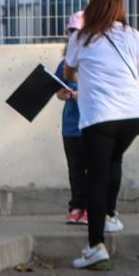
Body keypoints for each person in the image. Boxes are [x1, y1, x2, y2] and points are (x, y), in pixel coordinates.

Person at [64, 0, 139, 270]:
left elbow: (69, 73)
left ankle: (95, 246)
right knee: (113, 160)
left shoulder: (82, 37)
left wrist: (82, 76)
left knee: (95, 178)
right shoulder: (132, 34)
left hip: (100, 117)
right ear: (120, 7)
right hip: (133, 116)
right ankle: (109, 216)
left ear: (94, 5)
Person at [55, 11, 87, 226]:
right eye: (71, 32)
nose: (74, 37)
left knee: (92, 169)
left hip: (91, 125)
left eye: (78, 32)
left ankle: (91, 209)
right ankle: (76, 207)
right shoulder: (64, 64)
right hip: (70, 126)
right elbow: (58, 91)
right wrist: (65, 94)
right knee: (75, 169)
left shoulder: (94, 63)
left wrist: (79, 95)